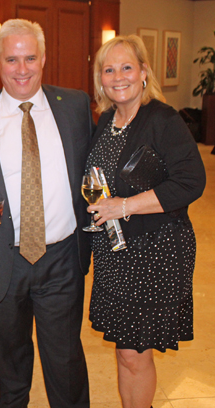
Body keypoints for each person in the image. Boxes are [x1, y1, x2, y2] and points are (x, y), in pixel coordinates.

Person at [0, 19, 92, 408]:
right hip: (3, 260)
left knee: (65, 364)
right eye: (12, 59)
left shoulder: (76, 106)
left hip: (62, 257)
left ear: (43, 58)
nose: (22, 69)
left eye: (30, 57)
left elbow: (102, 161)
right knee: (12, 367)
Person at [87, 35, 206, 408]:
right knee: (125, 350)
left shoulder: (162, 119)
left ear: (143, 73)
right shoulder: (107, 120)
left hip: (154, 253)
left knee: (136, 353)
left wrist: (124, 206)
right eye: (109, 69)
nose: (117, 76)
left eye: (127, 67)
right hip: (115, 254)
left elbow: (191, 182)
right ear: (100, 78)